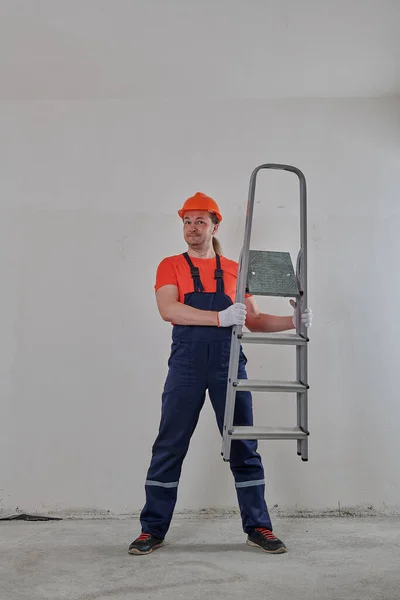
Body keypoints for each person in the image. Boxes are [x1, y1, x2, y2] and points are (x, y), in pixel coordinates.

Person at [129, 192, 313, 556]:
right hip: (186, 365)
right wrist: (219, 317)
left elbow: (255, 320)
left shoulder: (235, 269)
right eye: (186, 221)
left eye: (199, 221)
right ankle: (151, 530)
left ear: (214, 225)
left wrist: (291, 322)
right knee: (170, 444)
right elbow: (169, 309)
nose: (192, 228)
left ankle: (259, 526)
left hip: (229, 364)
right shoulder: (170, 265)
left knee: (244, 443)